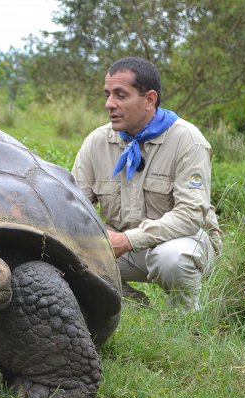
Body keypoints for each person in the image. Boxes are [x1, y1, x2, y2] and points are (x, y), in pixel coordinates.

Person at [72, 57, 222, 311]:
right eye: (108, 94)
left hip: (184, 243)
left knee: (171, 260)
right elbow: (73, 206)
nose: (110, 104)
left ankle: (186, 324)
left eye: (120, 95)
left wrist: (127, 240)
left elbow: (190, 216)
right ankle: (134, 307)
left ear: (149, 99)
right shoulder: (97, 142)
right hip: (123, 244)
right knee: (68, 257)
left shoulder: (187, 140)